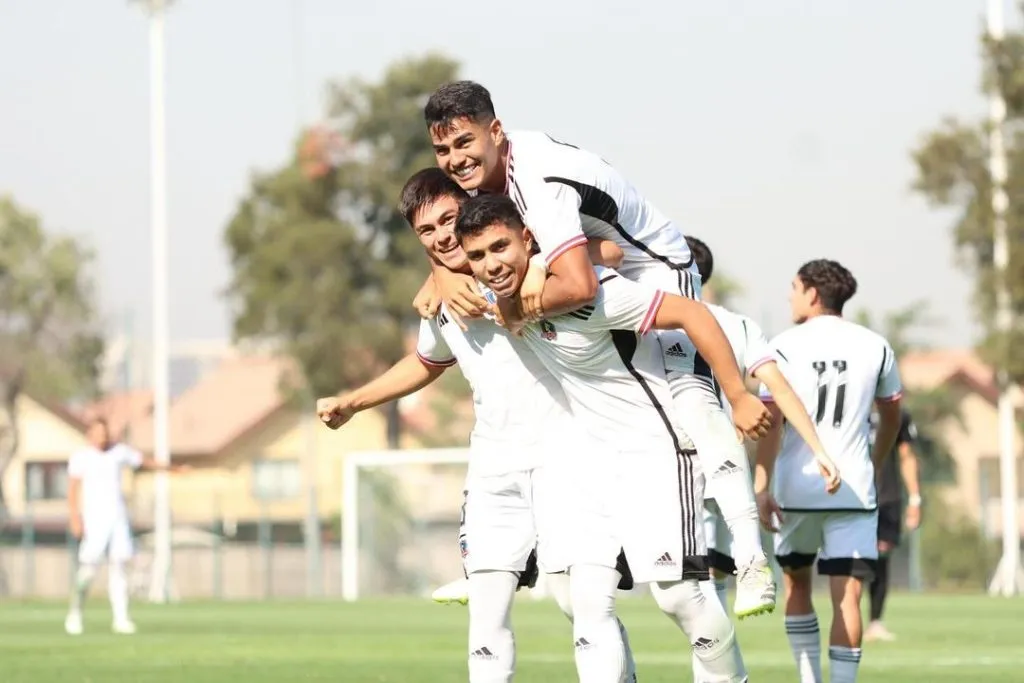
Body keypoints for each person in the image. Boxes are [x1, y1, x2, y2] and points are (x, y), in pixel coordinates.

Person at [417, 80, 777, 618]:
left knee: (692, 406)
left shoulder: (536, 179)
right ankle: (599, 539)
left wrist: (518, 309)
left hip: (652, 268)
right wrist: (440, 276)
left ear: (496, 131)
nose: (454, 159)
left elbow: (583, 283)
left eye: (464, 143)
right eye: (442, 149)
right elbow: (448, 233)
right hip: (597, 264)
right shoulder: (481, 182)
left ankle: (750, 560)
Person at [317, 168, 641, 683]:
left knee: (582, 605)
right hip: (496, 465)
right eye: (428, 231)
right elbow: (426, 361)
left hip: (571, 455)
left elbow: (609, 254)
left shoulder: (516, 260)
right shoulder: (442, 300)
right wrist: (355, 401)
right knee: (487, 612)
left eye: (450, 219)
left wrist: (526, 275)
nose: (443, 235)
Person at [454, 193, 772, 683]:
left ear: (528, 240)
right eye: (478, 256)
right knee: (574, 595)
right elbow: (445, 267)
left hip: (654, 449)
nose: (491, 265)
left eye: (501, 248)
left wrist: (739, 393)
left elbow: (693, 315)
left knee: (678, 596)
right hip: (586, 461)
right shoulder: (499, 297)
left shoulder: (589, 294)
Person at [681, 236, 842, 682]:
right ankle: (749, 568)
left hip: (694, 473)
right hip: (700, 470)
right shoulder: (726, 322)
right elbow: (779, 393)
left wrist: (817, 448)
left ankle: (751, 566)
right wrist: (819, 449)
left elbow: (775, 392)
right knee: (689, 591)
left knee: (695, 587)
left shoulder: (672, 319)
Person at [754, 260, 904, 683]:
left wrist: (761, 485)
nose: (789, 295)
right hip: (853, 489)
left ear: (813, 294)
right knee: (848, 597)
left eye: (794, 287)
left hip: (796, 489)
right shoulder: (876, 345)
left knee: (797, 585)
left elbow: (771, 423)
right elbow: (892, 415)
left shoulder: (782, 344)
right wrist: (872, 464)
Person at [64, 417, 185, 635]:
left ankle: (121, 618)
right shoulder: (81, 458)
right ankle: (75, 612)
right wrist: (75, 517)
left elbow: (145, 462)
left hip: (117, 518)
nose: (103, 437)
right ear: (90, 435)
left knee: (119, 566)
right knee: (89, 571)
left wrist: (173, 468)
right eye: (98, 433)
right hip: (94, 520)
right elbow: (72, 490)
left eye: (105, 432)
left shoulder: (119, 453)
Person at [865, 408, 921, 642]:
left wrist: (915, 498)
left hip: (887, 497)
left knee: (882, 559)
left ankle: (875, 621)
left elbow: (906, 455)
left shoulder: (898, 414)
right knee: (851, 560)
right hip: (852, 496)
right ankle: (847, 620)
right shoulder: (848, 405)